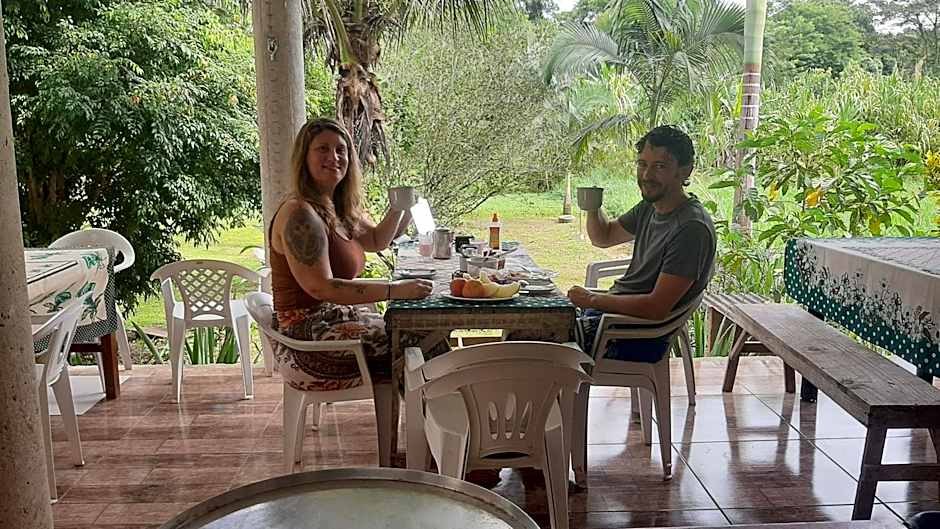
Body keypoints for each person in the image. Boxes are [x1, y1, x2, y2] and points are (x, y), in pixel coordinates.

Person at [268, 117, 433, 392]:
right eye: (322, 149)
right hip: (306, 339)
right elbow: (322, 287)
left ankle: (445, 422)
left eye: (341, 150)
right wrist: (394, 290)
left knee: (422, 334)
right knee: (418, 341)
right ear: (304, 158)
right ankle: (450, 424)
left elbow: (377, 240)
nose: (333, 157)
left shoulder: (337, 208)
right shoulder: (300, 213)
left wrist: (399, 208)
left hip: (334, 320)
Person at [567, 125, 716, 362]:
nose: (646, 175)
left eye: (660, 166)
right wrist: (593, 207)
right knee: (528, 330)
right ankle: (551, 397)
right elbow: (603, 237)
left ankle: (554, 397)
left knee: (540, 343)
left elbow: (655, 307)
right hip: (611, 320)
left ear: (685, 171)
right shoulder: (651, 206)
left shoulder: (691, 229)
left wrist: (592, 299)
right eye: (642, 164)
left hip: (635, 336)